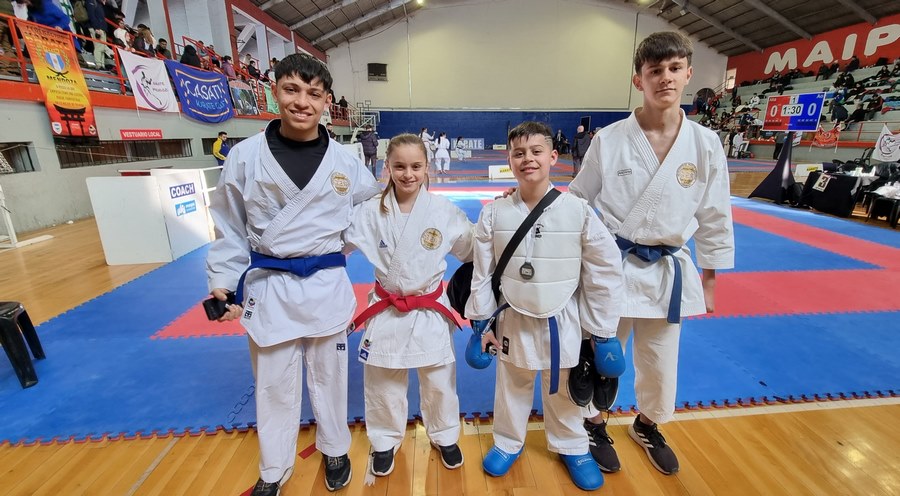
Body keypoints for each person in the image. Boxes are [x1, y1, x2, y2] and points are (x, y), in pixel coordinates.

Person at [205, 53, 380, 495]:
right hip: (270, 286)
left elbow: (369, 211)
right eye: (292, 90)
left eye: (313, 94)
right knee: (272, 385)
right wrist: (223, 282)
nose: (302, 102)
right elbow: (228, 225)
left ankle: (335, 448)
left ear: (326, 102)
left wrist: (338, 248)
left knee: (331, 378)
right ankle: (273, 468)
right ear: (275, 91)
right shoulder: (245, 157)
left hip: (325, 284)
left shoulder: (345, 161)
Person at [570, 31, 735, 476]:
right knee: (601, 355)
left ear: (688, 74)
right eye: (655, 70)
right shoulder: (609, 139)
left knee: (661, 360)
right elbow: (578, 199)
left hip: (668, 270)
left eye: (674, 68)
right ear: (638, 80)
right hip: (612, 266)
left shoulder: (705, 143)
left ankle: (646, 424)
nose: (665, 78)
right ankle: (594, 424)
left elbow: (715, 212)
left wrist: (711, 277)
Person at [465, 121, 624, 491]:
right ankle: (507, 441)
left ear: (553, 156)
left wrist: (603, 331)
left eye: (536, 151)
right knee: (512, 383)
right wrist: (480, 323)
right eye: (519, 153)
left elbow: (604, 271)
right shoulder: (494, 213)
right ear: (509, 160)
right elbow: (482, 273)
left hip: (563, 316)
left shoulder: (578, 211)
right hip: (513, 314)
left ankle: (572, 445)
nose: (528, 159)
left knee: (565, 386)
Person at [343, 133, 474, 479]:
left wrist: (503, 217)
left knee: (439, 381)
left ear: (426, 167)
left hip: (429, 308)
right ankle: (384, 441)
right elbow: (336, 245)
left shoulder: (443, 211)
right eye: (399, 166)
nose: (408, 174)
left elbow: (473, 249)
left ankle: (445, 435)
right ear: (387, 166)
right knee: (383, 381)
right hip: (386, 308)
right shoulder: (369, 212)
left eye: (416, 166)